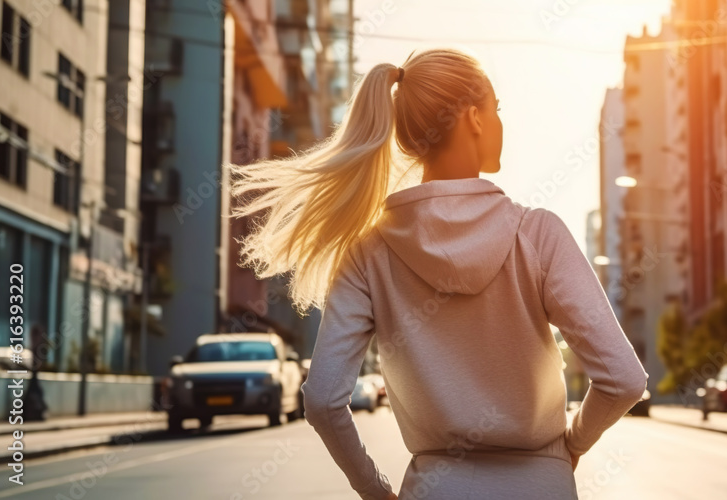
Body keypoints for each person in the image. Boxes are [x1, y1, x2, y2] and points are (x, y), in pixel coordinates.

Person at [229, 48, 648, 500]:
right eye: (497, 110)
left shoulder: (368, 252)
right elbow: (624, 379)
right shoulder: (538, 233)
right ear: (474, 118)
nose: (500, 122)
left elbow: (324, 401)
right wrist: (571, 446)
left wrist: (375, 491)